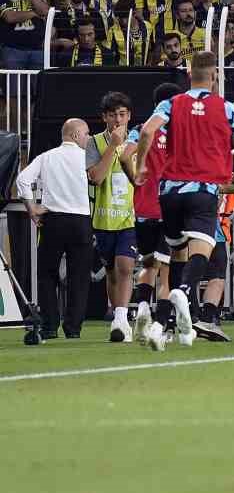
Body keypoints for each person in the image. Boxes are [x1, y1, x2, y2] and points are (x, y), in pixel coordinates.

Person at [134, 51, 234, 348]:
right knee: (203, 251)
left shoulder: (171, 103)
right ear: (214, 76)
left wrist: (141, 165)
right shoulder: (226, 109)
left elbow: (147, 130)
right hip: (203, 190)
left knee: (177, 255)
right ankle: (184, 293)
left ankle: (164, 326)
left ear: (189, 74)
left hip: (170, 192)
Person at [16, 120, 95, 341]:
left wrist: (31, 208)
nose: (89, 138)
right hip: (81, 222)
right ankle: (73, 329)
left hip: (53, 221)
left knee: (47, 274)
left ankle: (50, 326)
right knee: (79, 277)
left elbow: (22, 180)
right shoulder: (88, 159)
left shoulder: (46, 157)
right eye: (87, 134)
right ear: (76, 134)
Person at [128, 82, 183, 347]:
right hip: (168, 206)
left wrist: (136, 175)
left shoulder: (139, 130)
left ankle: (141, 308)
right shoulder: (178, 132)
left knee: (148, 264)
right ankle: (160, 327)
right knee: (166, 271)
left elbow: (125, 155)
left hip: (142, 208)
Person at [86, 92, 140, 343]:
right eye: (112, 115)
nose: (117, 119)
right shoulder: (94, 143)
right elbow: (95, 177)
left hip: (130, 217)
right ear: (104, 117)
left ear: (129, 115)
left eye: (122, 114)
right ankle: (116, 312)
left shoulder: (139, 141)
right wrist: (112, 146)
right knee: (111, 271)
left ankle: (121, 318)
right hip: (103, 218)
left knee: (125, 266)